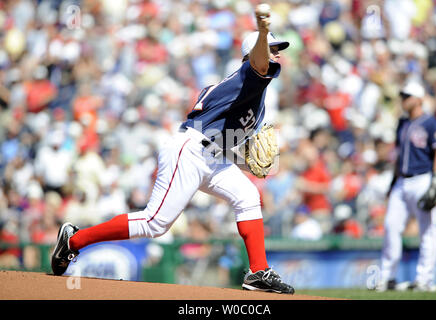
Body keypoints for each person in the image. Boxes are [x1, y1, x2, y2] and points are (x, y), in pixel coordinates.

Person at [51, 6, 294, 294]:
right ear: (253, 53)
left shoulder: (250, 92)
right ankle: (74, 240)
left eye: (277, 48)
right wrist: (263, 32)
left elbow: (222, 139)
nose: (276, 53)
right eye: (272, 48)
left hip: (211, 155)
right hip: (189, 151)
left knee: (248, 195)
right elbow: (258, 63)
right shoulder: (249, 76)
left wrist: (245, 163)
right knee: (155, 223)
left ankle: (258, 272)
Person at [376, 81, 436, 292]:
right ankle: (388, 277)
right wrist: (392, 183)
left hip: (422, 178)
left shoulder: (430, 123)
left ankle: (424, 279)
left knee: (427, 230)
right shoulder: (403, 123)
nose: (403, 100)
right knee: (390, 226)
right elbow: (398, 157)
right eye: (403, 96)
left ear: (418, 99)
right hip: (402, 181)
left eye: (407, 96)